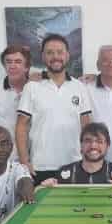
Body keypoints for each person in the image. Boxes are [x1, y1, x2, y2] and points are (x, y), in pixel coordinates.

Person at [16, 34, 92, 184]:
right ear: (43, 56)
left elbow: (86, 126)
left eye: (59, 52)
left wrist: (87, 158)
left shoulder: (80, 87)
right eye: (50, 52)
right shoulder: (31, 87)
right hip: (41, 166)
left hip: (75, 163)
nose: (55, 57)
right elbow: (21, 126)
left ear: (67, 55)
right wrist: (24, 161)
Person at [0, 45, 30, 162]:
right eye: (8, 62)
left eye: (18, 62)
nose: (12, 66)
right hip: (3, 158)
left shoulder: (36, 89)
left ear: (26, 67)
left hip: (31, 157)